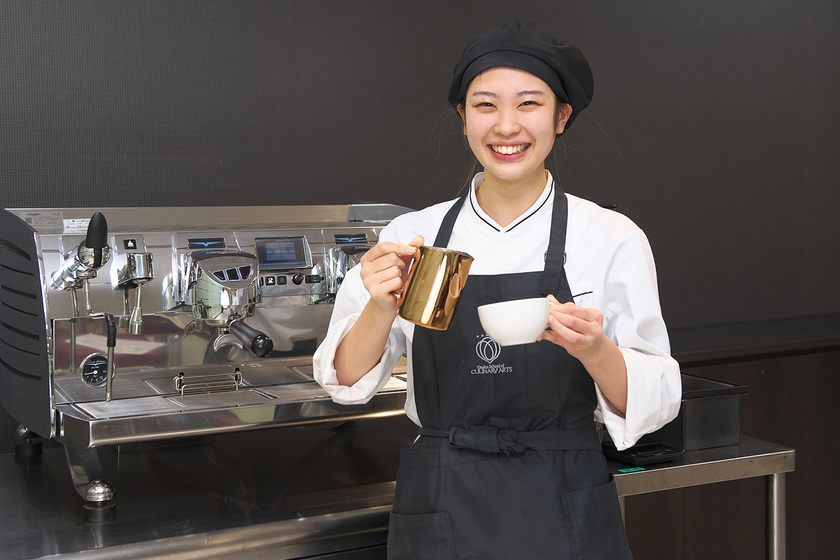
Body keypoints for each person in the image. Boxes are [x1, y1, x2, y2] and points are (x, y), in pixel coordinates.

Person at [313, 20, 681, 559]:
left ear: (561, 117)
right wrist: (379, 306)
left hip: (562, 497)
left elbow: (659, 398)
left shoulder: (609, 237)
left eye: (529, 103)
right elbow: (344, 381)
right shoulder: (412, 238)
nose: (506, 126)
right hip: (442, 497)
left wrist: (596, 351)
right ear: (463, 118)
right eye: (485, 105)